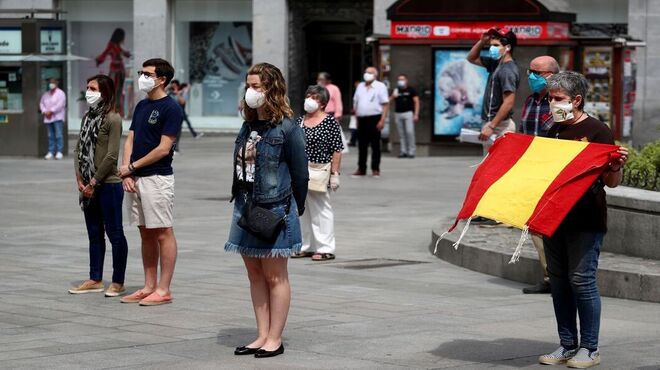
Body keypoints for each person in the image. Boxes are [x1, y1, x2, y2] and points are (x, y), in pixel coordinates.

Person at [538, 71, 628, 369]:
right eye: (550, 98)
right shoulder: (552, 130)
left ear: (576, 100)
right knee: (560, 282)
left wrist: (615, 165)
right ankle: (567, 344)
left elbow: (611, 181)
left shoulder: (597, 130)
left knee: (582, 281)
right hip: (554, 217)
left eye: (558, 99)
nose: (552, 104)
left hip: (585, 218)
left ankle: (590, 348)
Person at [225, 63, 308, 358]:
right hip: (245, 205)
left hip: (276, 208)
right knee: (255, 275)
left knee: (275, 276)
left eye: (257, 86)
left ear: (272, 89)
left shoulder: (287, 127)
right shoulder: (247, 126)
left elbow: (301, 173)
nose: (251, 91)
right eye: (248, 85)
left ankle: (275, 337)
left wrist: (294, 209)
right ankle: (261, 334)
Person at [118, 58, 183, 306]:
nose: (142, 77)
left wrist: (132, 167)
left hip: (157, 178)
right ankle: (148, 286)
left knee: (163, 231)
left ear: (162, 79)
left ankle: (164, 289)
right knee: (144, 232)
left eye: (147, 73)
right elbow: (130, 140)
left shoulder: (171, 108)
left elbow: (164, 148)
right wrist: (126, 172)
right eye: (141, 72)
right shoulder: (142, 106)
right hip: (135, 178)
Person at [68, 74, 128, 297]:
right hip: (87, 185)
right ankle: (95, 278)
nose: (88, 92)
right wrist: (79, 178)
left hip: (108, 184)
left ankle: (118, 281)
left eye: (92, 88)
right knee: (94, 233)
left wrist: (94, 181)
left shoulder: (113, 119)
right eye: (87, 87)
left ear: (105, 92)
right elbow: (78, 150)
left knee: (115, 233)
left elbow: (112, 156)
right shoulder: (87, 118)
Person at [519, 56, 560, 295]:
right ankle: (549, 276)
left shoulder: (561, 102)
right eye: (530, 71)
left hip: (553, 173)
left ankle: (556, 277)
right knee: (535, 226)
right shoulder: (531, 101)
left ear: (553, 75)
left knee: (551, 226)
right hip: (533, 171)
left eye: (538, 72)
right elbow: (524, 135)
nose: (532, 76)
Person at [292, 85, 343, 261]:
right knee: (302, 209)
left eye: (314, 97)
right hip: (300, 170)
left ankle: (325, 248)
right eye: (308, 95)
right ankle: (306, 246)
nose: (309, 99)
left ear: (323, 103)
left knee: (321, 209)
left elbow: (337, 149)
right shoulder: (299, 121)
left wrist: (335, 174)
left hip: (319, 169)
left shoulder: (329, 122)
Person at [466, 27, 520, 155]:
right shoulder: (496, 64)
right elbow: (471, 58)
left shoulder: (508, 70)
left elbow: (508, 102)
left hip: (500, 126)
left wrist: (491, 126)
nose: (492, 48)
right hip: (493, 124)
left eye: (496, 45)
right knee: (489, 166)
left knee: (498, 168)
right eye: (491, 45)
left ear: (507, 47)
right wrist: (481, 42)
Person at [352, 66, 389, 178]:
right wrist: (356, 118)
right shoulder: (360, 87)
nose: (367, 74)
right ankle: (361, 168)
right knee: (362, 145)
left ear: (375, 75)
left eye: (370, 72)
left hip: (375, 118)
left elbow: (385, 104)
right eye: (366, 72)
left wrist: (382, 120)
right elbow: (356, 103)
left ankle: (375, 168)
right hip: (362, 118)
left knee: (375, 145)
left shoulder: (380, 86)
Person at [96, 28, 131, 115]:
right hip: (115, 71)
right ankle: (111, 109)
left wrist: (127, 53)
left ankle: (116, 110)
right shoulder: (112, 44)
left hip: (120, 71)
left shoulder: (119, 45)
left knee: (118, 91)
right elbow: (105, 53)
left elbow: (126, 54)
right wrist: (99, 60)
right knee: (112, 90)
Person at [389, 74, 420, 158]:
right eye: (399, 79)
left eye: (402, 79)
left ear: (406, 80)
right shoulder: (396, 90)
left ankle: (411, 151)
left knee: (409, 132)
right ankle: (403, 151)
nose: (400, 81)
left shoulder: (411, 90)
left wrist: (416, 114)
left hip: (408, 113)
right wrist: (392, 96)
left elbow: (416, 102)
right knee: (401, 133)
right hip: (398, 113)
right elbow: (388, 102)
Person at [169, 80, 202, 152]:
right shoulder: (169, 93)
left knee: (179, 130)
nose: (173, 87)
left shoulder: (181, 93)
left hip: (180, 112)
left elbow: (182, 101)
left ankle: (176, 148)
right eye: (172, 85)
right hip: (171, 114)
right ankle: (194, 135)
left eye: (175, 85)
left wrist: (178, 93)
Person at [40, 78, 66, 160]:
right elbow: (41, 103)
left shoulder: (61, 93)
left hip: (57, 117)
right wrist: (44, 111)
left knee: (58, 135)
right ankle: (51, 152)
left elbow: (60, 104)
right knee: (50, 135)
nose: (51, 84)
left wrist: (51, 111)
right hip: (48, 118)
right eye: (50, 83)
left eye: (53, 82)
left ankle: (59, 152)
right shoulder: (46, 94)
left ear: (57, 83)